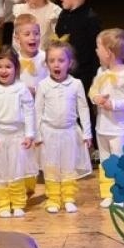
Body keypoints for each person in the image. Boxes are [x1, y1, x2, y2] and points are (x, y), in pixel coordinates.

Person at [36, 40, 92, 214]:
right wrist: (37, 134)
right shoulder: (43, 85)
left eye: (61, 60)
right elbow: (37, 110)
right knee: (51, 167)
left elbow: (83, 108)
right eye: (52, 61)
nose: (56, 64)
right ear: (47, 64)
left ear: (70, 63)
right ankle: (53, 198)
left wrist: (87, 132)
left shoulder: (76, 84)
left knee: (68, 167)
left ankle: (68, 197)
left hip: (69, 132)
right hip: (49, 133)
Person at [0, 46, 36, 219]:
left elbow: (29, 111)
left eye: (8, 66)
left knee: (17, 172)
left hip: (17, 137)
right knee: (0, 174)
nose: (3, 70)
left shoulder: (21, 89)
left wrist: (30, 134)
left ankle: (19, 203)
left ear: (16, 68)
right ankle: (3, 204)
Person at [91, 28, 124, 207]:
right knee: (105, 160)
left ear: (109, 53)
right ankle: (108, 192)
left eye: (99, 47)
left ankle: (122, 193)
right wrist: (95, 98)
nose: (96, 51)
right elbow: (94, 90)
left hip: (119, 127)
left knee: (120, 160)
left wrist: (114, 105)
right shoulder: (101, 72)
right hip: (102, 125)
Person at [54, 0, 102, 101]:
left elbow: (96, 50)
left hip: (84, 74)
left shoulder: (90, 18)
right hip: (65, 72)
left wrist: (95, 77)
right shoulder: (63, 15)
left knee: (83, 107)